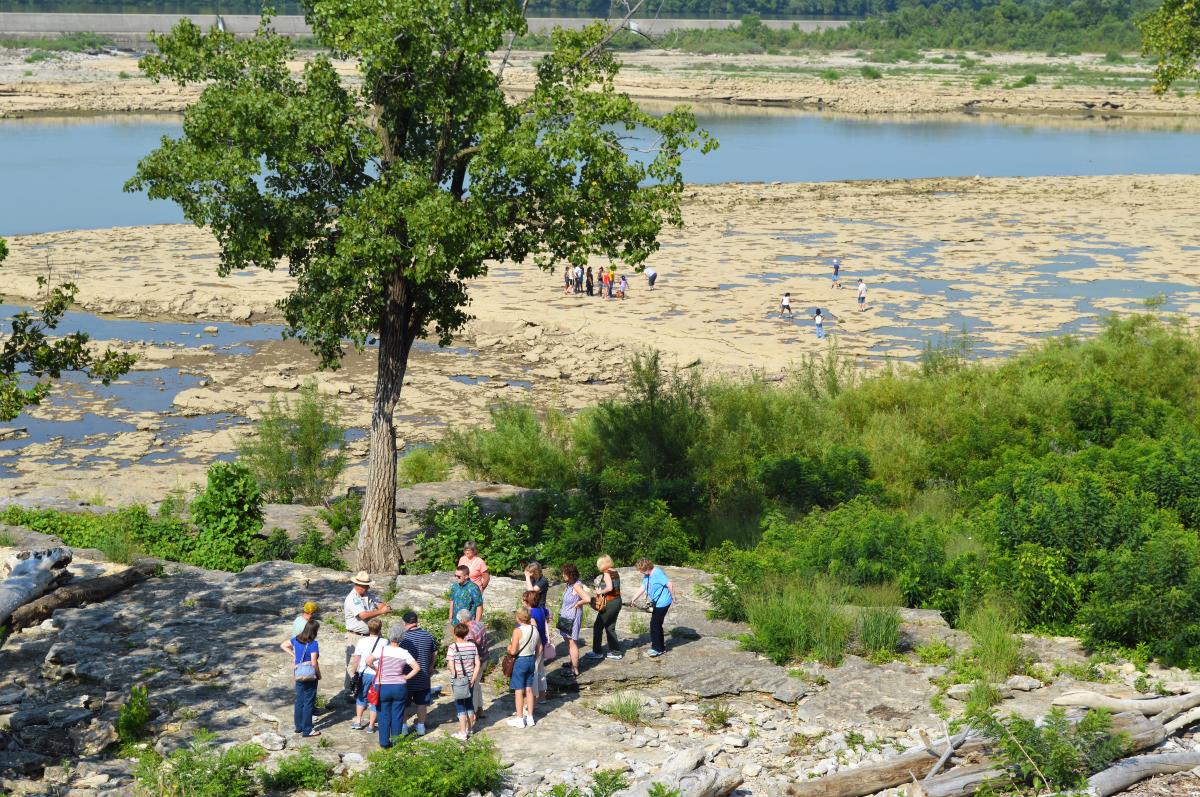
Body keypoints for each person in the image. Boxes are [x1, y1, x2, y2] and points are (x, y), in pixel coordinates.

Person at [366, 624, 420, 749]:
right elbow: (417, 668)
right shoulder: (404, 652)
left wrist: (377, 669)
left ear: (390, 636)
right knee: (398, 715)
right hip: (399, 686)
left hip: (383, 686)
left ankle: (384, 743)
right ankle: (396, 742)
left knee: (383, 715)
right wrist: (405, 677)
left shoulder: (382, 649)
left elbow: (368, 661)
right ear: (402, 637)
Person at [344, 571, 390, 692]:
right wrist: (381, 611)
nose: (367, 587)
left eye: (367, 585)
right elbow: (363, 615)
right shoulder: (352, 598)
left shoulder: (368, 595)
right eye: (365, 585)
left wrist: (383, 607)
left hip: (370, 635)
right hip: (356, 635)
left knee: (371, 660)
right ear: (358, 585)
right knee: (354, 663)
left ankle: (367, 689)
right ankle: (350, 690)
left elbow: (381, 605)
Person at [280, 619, 321, 737]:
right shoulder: (313, 644)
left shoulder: (296, 639)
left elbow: (283, 645)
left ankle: (298, 727)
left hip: (298, 673)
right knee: (308, 702)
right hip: (309, 675)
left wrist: (294, 656)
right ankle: (307, 730)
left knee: (299, 701)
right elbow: (314, 662)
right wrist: (318, 674)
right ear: (314, 631)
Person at [399, 610, 437, 736]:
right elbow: (434, 652)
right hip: (424, 676)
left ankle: (404, 728)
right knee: (422, 703)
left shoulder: (403, 638)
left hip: (407, 676)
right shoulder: (428, 635)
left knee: (404, 704)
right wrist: (431, 666)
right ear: (416, 621)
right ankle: (421, 728)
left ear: (405, 623)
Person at [629, 558, 675, 658]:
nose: (640, 572)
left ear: (646, 568)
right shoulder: (647, 575)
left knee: (655, 624)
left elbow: (669, 584)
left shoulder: (657, 573)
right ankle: (660, 647)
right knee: (656, 624)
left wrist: (673, 597)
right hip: (657, 603)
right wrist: (633, 599)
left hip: (663, 602)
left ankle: (658, 649)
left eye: (640, 570)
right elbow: (643, 587)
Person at [506, 607, 541, 728]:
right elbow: (540, 647)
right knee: (529, 689)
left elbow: (513, 650)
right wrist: (535, 659)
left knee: (519, 691)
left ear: (518, 618)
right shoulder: (534, 629)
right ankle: (530, 717)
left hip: (521, 660)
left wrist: (508, 648)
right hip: (531, 659)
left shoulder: (518, 631)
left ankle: (520, 719)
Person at [349, 618, 385, 731]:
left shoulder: (361, 641)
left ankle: (358, 721)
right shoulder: (385, 642)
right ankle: (371, 725)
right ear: (380, 629)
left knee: (361, 697)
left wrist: (354, 672)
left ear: (368, 629)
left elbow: (357, 659)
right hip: (377, 673)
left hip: (363, 673)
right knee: (375, 699)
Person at [447, 622, 481, 740]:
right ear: (466, 633)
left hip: (459, 680)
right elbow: (477, 663)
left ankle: (462, 732)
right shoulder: (472, 646)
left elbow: (451, 665)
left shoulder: (452, 647)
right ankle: (470, 729)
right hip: (470, 678)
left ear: (455, 633)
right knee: (470, 703)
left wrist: (455, 674)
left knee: (460, 705)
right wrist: (474, 677)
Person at [587, 555, 623, 660]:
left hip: (610, 603)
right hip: (617, 601)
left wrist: (599, 591)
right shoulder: (614, 571)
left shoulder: (607, 573)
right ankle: (615, 652)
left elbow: (610, 587)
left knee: (598, 626)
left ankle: (597, 652)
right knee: (610, 627)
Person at [558, 563, 590, 678]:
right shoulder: (570, 584)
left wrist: (578, 603)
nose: (562, 575)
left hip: (572, 618)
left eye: (564, 573)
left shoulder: (576, 585)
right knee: (568, 641)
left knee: (572, 643)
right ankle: (572, 662)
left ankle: (574, 670)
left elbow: (587, 599)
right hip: (566, 617)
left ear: (570, 574)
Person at [457, 608, 489, 718]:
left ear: (462, 620)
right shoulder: (479, 624)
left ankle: (473, 713)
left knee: (472, 688)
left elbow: (470, 649)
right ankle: (480, 710)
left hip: (476, 663)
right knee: (477, 685)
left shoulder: (469, 632)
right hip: (484, 658)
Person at [524, 590, 550, 701]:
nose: (523, 602)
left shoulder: (530, 614)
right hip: (543, 643)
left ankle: (532, 697)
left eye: (524, 600)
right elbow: (550, 614)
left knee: (533, 672)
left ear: (528, 601)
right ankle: (542, 696)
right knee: (541, 671)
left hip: (534, 646)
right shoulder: (541, 610)